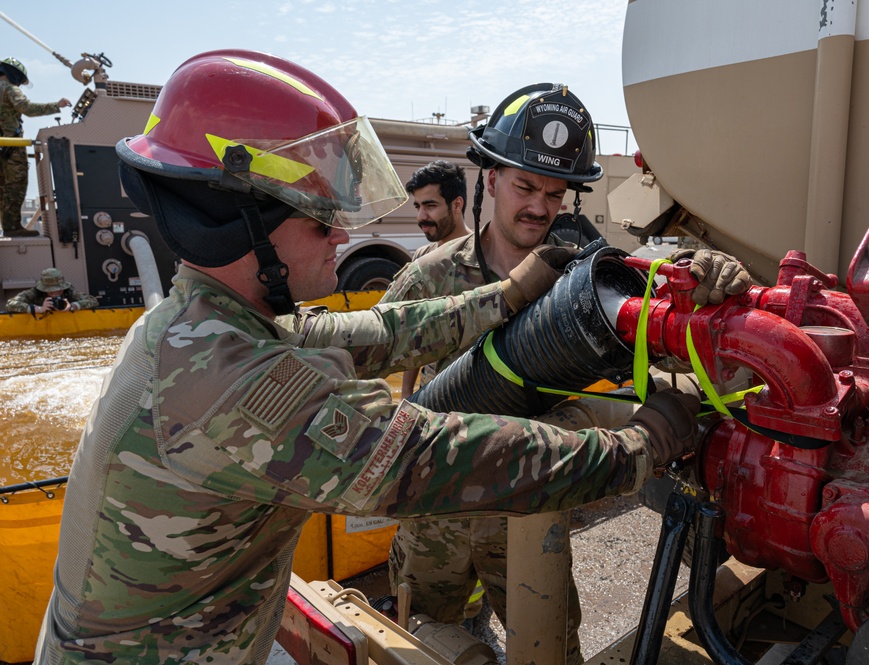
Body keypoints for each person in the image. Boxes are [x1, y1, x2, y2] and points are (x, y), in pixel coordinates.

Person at [33, 51, 705, 665]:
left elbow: (377, 333)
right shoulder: (229, 381)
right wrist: (639, 446)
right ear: (240, 229)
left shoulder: (206, 323)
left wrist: (505, 296)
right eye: (317, 218)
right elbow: (434, 457)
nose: (341, 233)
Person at [380, 82, 752, 663]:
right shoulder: (426, 281)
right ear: (491, 179)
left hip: (528, 518)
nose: (538, 207)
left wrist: (706, 282)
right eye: (525, 186)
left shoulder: (577, 286)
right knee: (421, 644)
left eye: (555, 194)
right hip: (435, 523)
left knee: (554, 650)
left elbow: (668, 338)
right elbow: (400, 398)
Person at [398, 159, 472, 397]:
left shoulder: (482, 255)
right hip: (429, 394)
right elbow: (413, 332)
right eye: (417, 206)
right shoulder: (422, 257)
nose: (421, 216)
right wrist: (407, 393)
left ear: (456, 204)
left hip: (473, 396)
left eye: (430, 206)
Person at [0, 57, 71, 237]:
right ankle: (12, 227)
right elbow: (27, 108)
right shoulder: (9, 89)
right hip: (10, 148)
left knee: (2, 189)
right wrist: (57, 105)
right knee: (15, 186)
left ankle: (7, 225)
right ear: (14, 75)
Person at [5, 267, 98, 315]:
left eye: (58, 289)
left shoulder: (68, 293)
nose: (56, 293)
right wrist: (38, 309)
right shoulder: (35, 293)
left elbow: (93, 300)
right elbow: (11, 304)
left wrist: (73, 306)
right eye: (51, 291)